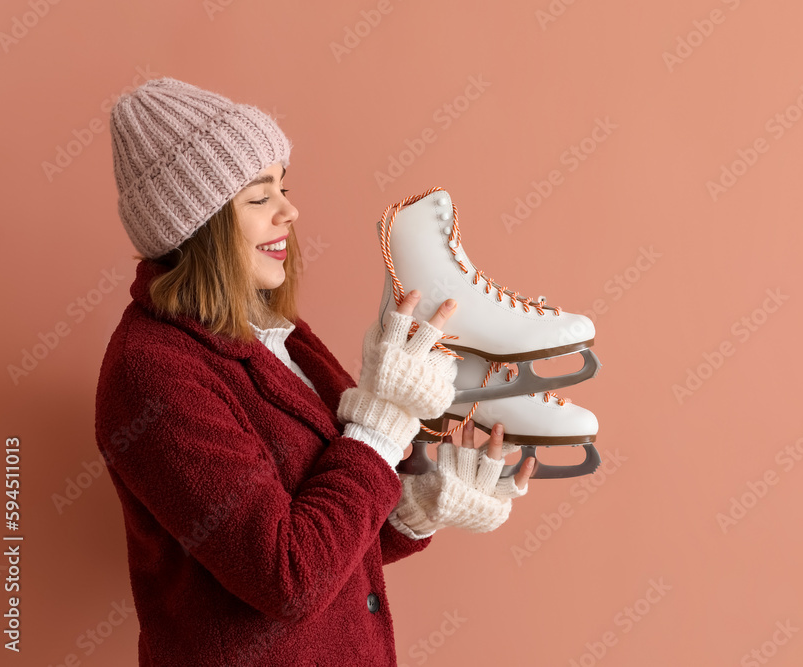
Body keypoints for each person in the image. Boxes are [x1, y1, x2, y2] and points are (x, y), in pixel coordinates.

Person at [95, 76, 535, 666]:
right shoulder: (152, 373)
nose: (289, 210)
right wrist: (383, 418)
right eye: (259, 198)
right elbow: (288, 578)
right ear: (196, 228)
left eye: (284, 186)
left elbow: (338, 547)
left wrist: (416, 506)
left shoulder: (282, 335)